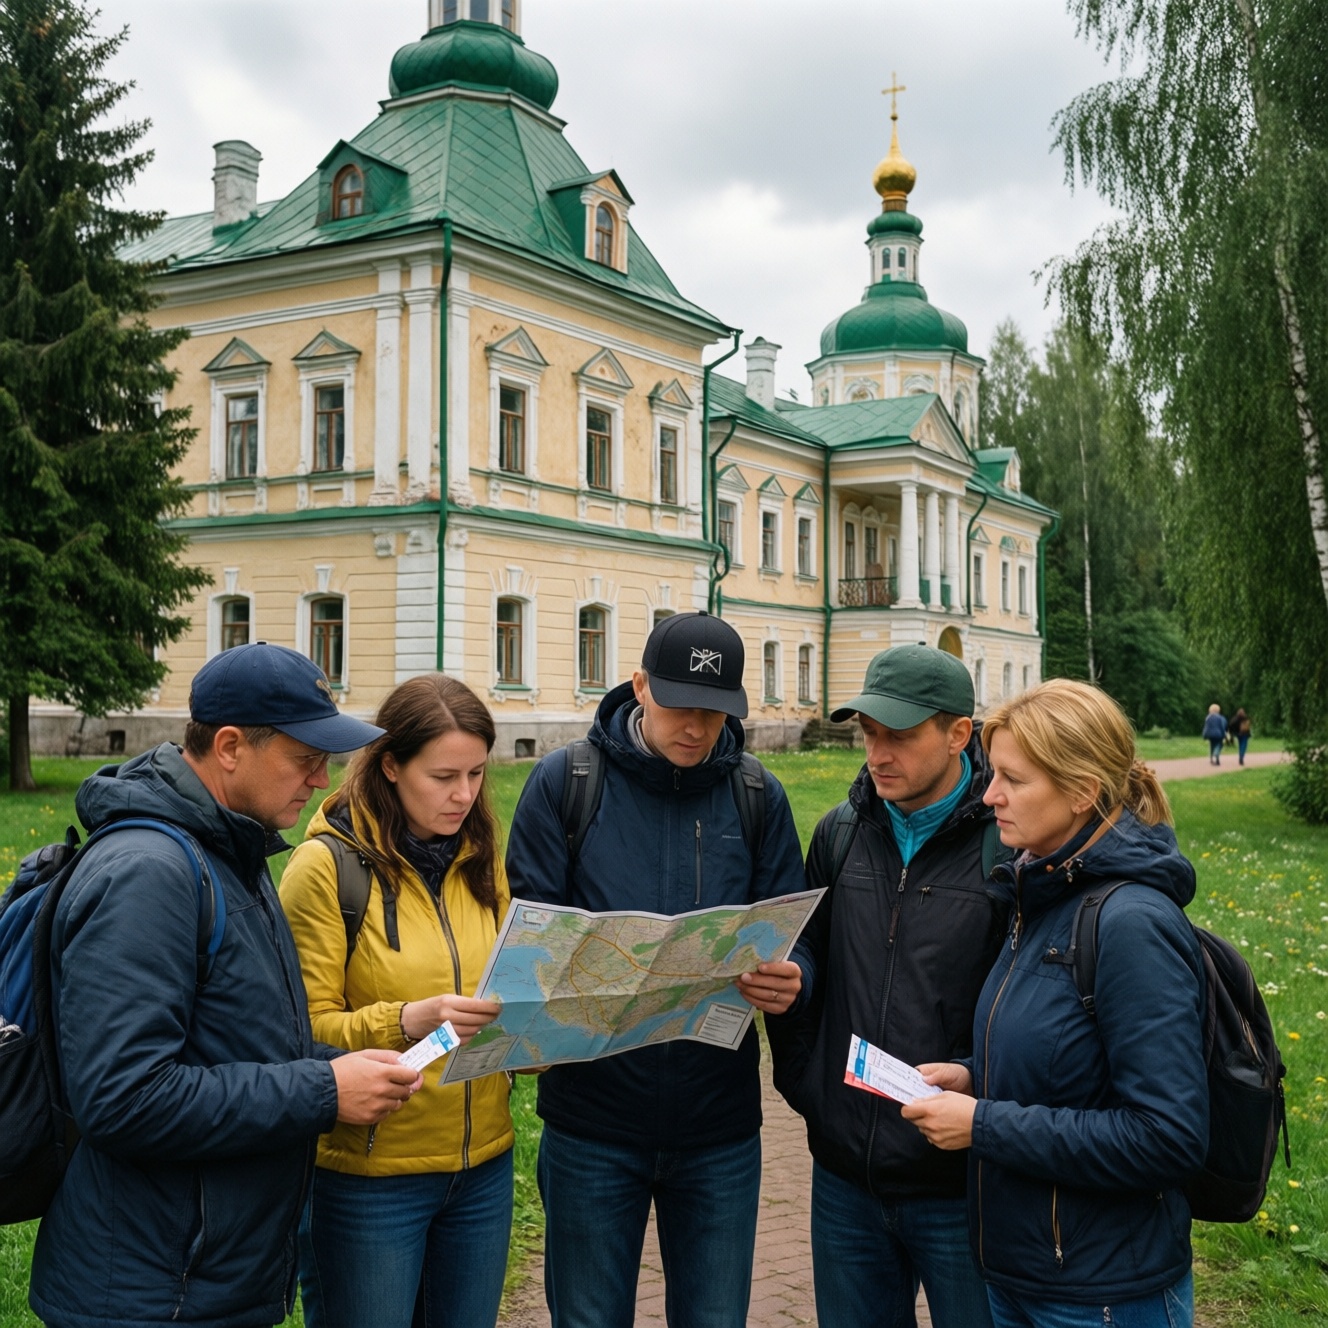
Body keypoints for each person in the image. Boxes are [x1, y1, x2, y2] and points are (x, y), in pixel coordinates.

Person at [29, 642, 424, 1328]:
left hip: (206, 1279)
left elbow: (235, 1043)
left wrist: (346, 1068)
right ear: (231, 746)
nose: (321, 778)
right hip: (149, 1296)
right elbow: (125, 1098)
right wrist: (324, 1091)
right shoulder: (148, 873)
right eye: (305, 759)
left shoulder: (232, 849)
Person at [505, 610, 807, 1328]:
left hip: (718, 1129)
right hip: (591, 1125)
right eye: (680, 705)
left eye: (715, 711)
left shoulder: (757, 795)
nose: (697, 728)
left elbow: (797, 934)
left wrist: (795, 977)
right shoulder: (565, 783)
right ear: (639, 686)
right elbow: (527, 937)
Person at [902, 679, 1208, 1328]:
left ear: (1080, 792)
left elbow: (1168, 1137)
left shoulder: (1130, 923)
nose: (989, 796)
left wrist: (982, 1123)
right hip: (1025, 1277)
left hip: (1104, 1294)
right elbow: (1073, 1065)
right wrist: (973, 1077)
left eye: (1013, 779)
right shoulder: (1038, 890)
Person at [767, 643, 1007, 1328]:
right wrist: (799, 985)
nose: (877, 753)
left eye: (898, 736)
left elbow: (1027, 1008)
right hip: (845, 1176)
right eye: (868, 733)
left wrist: (979, 1091)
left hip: (962, 1186)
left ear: (959, 733)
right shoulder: (840, 833)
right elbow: (809, 946)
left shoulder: (1008, 846)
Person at [279, 674, 513, 1328]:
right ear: (390, 765)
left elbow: (502, 985)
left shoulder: (482, 856)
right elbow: (299, 1034)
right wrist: (409, 1018)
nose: (464, 795)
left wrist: (535, 1037)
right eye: (443, 777)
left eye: (476, 774)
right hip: (370, 1180)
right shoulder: (326, 869)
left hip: (484, 1168)